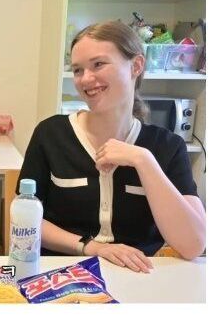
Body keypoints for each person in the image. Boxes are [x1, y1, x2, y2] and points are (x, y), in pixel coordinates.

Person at [18, 21, 205, 272]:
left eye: (98, 64)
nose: (86, 79)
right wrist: (92, 247)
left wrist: (144, 161)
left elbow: (193, 245)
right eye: (77, 70)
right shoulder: (51, 134)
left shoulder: (167, 147)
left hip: (139, 275)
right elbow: (26, 219)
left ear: (136, 66)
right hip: (63, 271)